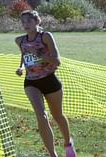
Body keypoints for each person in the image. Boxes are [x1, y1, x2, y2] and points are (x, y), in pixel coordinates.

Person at [15, 10, 77, 157]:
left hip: (49, 80)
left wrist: (42, 56)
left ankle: (68, 143)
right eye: (23, 22)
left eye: (29, 21)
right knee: (41, 116)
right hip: (31, 82)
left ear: (37, 21)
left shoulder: (46, 37)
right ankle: (52, 154)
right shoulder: (20, 40)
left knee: (58, 116)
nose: (25, 25)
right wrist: (21, 68)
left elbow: (57, 61)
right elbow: (24, 56)